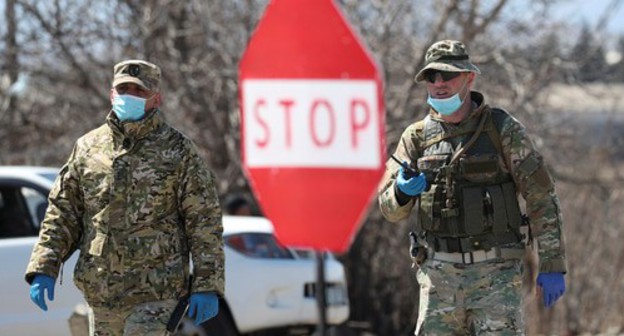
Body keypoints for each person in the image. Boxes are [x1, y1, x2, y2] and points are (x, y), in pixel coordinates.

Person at [378, 40, 567, 335]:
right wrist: (401, 192)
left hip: (496, 278)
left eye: (448, 75)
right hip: (439, 278)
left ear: (469, 77)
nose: (439, 84)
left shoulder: (503, 129)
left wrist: (552, 262)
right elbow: (388, 209)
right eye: (432, 77)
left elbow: (541, 195)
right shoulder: (415, 138)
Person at [25, 60, 225, 335]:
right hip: (101, 290)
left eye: (139, 91)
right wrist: (44, 265)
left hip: (156, 290)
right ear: (111, 94)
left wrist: (207, 284)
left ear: (156, 99)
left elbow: (204, 220)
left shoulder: (179, 151)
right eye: (123, 89)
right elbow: (63, 212)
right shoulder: (87, 148)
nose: (129, 95)